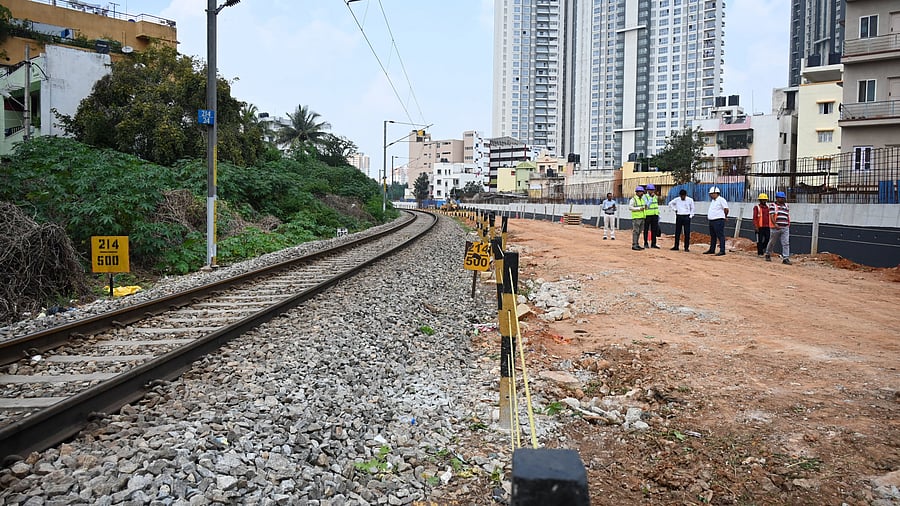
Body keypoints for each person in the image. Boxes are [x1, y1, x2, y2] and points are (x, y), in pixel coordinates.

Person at [766, 191, 792, 264]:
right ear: (777, 198)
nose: (782, 199)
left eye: (783, 198)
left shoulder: (786, 206)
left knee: (786, 243)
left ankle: (786, 258)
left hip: (785, 227)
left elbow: (787, 215)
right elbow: (771, 215)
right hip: (775, 227)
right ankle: (768, 254)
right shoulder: (772, 206)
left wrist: (788, 224)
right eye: (781, 198)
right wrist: (775, 224)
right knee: (772, 242)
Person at [703, 186, 729, 256]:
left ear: (716, 193)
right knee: (713, 236)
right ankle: (712, 249)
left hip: (718, 220)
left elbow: (726, 209)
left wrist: (725, 216)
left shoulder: (721, 200)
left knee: (720, 235)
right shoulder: (713, 201)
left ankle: (722, 250)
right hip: (712, 221)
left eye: (711, 194)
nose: (710, 195)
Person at [642, 184, 661, 248]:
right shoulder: (645, 197)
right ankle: (645, 243)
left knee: (654, 230)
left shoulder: (655, 197)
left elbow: (656, 206)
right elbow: (647, 206)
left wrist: (658, 215)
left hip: (655, 215)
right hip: (647, 215)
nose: (652, 191)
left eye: (653, 190)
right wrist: (651, 198)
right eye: (650, 190)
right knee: (646, 230)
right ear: (647, 190)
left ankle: (653, 243)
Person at [752, 193, 771, 257]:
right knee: (759, 240)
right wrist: (756, 226)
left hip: (767, 226)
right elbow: (755, 218)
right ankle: (760, 253)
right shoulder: (757, 207)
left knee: (767, 239)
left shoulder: (768, 207)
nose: (764, 201)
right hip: (759, 227)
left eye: (765, 200)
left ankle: (761, 248)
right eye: (763, 200)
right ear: (760, 200)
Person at [629, 186, 647, 251]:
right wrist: (639, 209)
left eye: (642, 192)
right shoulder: (633, 199)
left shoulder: (642, 199)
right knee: (636, 231)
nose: (642, 193)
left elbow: (643, 207)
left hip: (642, 217)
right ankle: (634, 245)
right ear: (637, 192)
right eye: (640, 192)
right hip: (636, 218)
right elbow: (630, 208)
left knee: (639, 232)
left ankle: (637, 244)